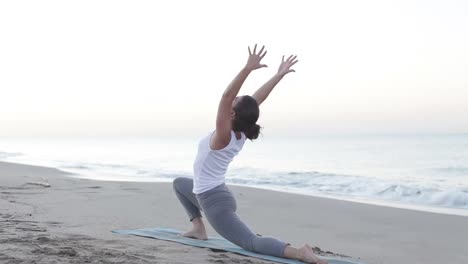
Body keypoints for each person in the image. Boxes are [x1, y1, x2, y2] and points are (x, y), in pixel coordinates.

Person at [173, 44, 327, 264]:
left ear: (233, 112)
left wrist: (247, 69)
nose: (232, 100)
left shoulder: (223, 136)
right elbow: (257, 99)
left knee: (250, 242)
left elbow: (226, 96)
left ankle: (299, 252)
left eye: (235, 102)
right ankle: (198, 228)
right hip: (211, 192)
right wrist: (279, 75)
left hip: (214, 203)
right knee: (179, 183)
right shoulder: (241, 131)